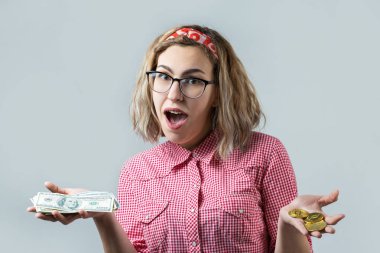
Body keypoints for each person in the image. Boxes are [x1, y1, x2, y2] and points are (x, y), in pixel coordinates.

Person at [28, 25, 345, 253]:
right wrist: (103, 215)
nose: (174, 92)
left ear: (219, 93)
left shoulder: (265, 153)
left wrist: (288, 223)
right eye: (163, 77)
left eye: (192, 80)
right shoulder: (137, 172)